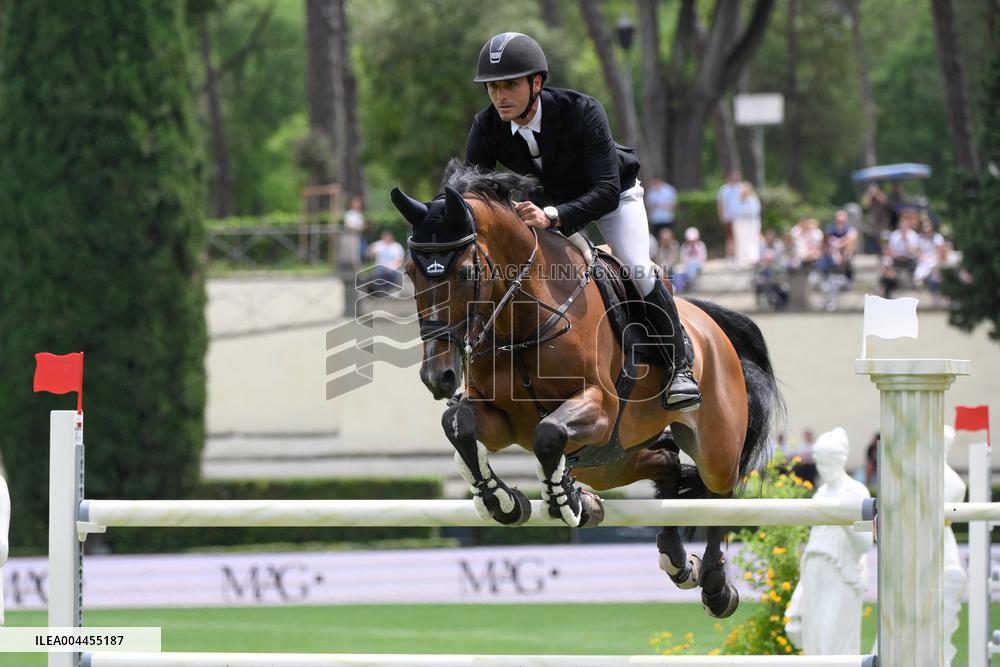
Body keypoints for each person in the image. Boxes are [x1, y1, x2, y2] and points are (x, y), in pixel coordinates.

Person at [464, 32, 700, 411]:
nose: (499, 96)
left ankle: (679, 367)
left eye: (509, 85)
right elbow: (474, 193)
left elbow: (606, 190)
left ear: (536, 83)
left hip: (612, 197)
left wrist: (553, 216)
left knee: (637, 268)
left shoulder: (582, 110)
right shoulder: (486, 126)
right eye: (492, 87)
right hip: (547, 206)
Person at [785, 428, 873, 655]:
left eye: (829, 463)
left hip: (841, 576)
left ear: (841, 460)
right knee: (813, 647)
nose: (824, 469)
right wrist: (799, 597)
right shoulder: (821, 493)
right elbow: (814, 543)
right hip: (815, 574)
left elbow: (865, 544)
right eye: (820, 463)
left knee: (834, 646)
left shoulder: (856, 491)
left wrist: (843, 519)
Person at [730, 182, 762, 267]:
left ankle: (753, 259)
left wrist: (745, 211)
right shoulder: (736, 200)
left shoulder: (753, 199)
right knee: (740, 241)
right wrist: (744, 211)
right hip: (740, 224)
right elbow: (734, 211)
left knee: (752, 241)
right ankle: (741, 259)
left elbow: (755, 211)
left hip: (751, 224)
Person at [366, 228, 405, 295]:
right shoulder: (378, 245)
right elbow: (369, 253)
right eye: (385, 236)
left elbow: (400, 260)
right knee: (377, 274)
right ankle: (380, 290)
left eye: (388, 236)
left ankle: (390, 290)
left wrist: (391, 267)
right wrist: (371, 251)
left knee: (394, 275)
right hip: (380, 268)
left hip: (393, 268)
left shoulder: (397, 246)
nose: (386, 238)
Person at [717, 170, 743, 261]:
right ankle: (730, 254)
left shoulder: (741, 188)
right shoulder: (724, 189)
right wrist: (721, 215)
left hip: (739, 217)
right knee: (730, 237)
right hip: (728, 217)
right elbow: (721, 204)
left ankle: (738, 254)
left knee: (739, 236)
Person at [674, 226, 707, 293]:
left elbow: (702, 257)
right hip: (688, 266)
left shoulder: (700, 245)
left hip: (697, 265)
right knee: (682, 269)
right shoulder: (684, 246)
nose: (691, 242)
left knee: (692, 267)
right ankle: (684, 286)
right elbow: (683, 258)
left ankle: (689, 284)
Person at [340, 196, 367, 272]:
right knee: (349, 256)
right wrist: (358, 227)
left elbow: (361, 226)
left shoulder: (359, 214)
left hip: (357, 236)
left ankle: (357, 270)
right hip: (350, 237)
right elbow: (349, 226)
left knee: (357, 255)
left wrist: (358, 227)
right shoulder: (349, 214)